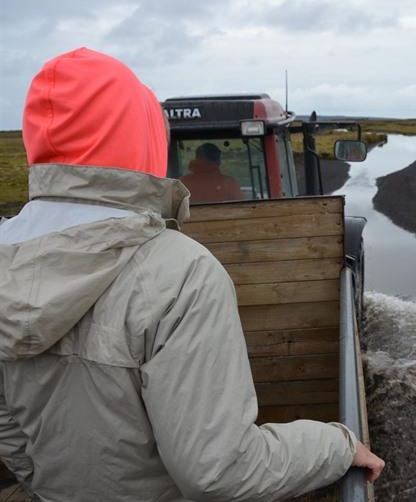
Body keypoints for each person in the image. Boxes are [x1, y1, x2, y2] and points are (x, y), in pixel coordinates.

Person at [0, 47, 383, 501]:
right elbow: (220, 472)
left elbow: (10, 432)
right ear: (143, 138)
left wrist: (47, 484)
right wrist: (335, 445)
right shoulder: (182, 273)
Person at [179, 142, 245, 203]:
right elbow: (242, 207)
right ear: (217, 160)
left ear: (196, 158)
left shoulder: (182, 183)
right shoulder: (229, 183)